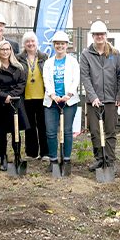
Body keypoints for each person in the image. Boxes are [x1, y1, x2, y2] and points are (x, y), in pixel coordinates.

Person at [80, 21, 120, 171]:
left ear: (106, 35)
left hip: (111, 100)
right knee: (95, 132)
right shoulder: (86, 54)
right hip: (94, 102)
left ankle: (110, 161)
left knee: (110, 131)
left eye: (102, 34)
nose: (99, 36)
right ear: (92, 36)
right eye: (96, 34)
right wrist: (93, 97)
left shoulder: (115, 54)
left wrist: (119, 96)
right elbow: (85, 77)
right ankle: (99, 159)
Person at [0, 40, 29, 171]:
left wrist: (12, 96)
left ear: (11, 51)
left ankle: (18, 155)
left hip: (15, 103)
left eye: (7, 49)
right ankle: (2, 156)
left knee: (16, 131)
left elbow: (21, 83)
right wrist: (4, 96)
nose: (5, 52)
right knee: (1, 132)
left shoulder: (18, 67)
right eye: (2, 49)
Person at [43, 31, 80, 170]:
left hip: (69, 102)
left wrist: (68, 95)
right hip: (51, 102)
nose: (60, 46)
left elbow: (76, 79)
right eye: (57, 43)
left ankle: (66, 159)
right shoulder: (48, 62)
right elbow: (46, 80)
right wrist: (53, 96)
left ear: (67, 45)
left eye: (62, 44)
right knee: (51, 131)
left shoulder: (73, 61)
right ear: (54, 45)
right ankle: (53, 160)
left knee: (67, 131)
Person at [17, 31, 49, 160]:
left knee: (43, 125)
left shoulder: (44, 57)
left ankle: (45, 153)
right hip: (26, 97)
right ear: (24, 44)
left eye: (32, 41)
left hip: (42, 96)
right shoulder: (18, 58)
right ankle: (31, 153)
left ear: (37, 43)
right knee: (29, 126)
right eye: (27, 42)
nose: (30, 44)